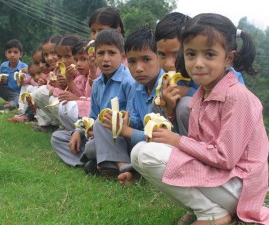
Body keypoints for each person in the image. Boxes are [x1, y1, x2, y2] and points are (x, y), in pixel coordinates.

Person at [131, 13, 269, 225]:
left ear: (229, 58)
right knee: (139, 153)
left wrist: (175, 141)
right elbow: (198, 146)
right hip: (221, 180)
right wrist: (169, 137)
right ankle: (204, 209)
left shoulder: (237, 96)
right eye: (191, 54)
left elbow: (225, 158)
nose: (198, 63)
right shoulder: (201, 95)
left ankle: (214, 214)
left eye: (210, 54)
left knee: (150, 155)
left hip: (239, 185)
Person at [88, 27, 164, 182]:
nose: (139, 68)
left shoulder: (165, 89)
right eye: (132, 62)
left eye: (146, 60)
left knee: (143, 152)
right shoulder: (137, 86)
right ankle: (123, 166)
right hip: (135, 140)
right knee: (97, 131)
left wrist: (125, 129)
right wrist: (124, 120)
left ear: (159, 58)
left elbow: (161, 136)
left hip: (155, 143)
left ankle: (118, 165)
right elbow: (134, 118)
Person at [52, 29, 135, 167]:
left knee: (92, 147)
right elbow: (92, 116)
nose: (106, 58)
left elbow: (132, 120)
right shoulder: (97, 84)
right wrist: (79, 131)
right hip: (97, 134)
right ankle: (97, 162)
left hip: (119, 137)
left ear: (123, 56)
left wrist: (102, 128)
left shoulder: (129, 82)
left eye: (112, 53)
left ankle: (102, 161)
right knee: (58, 138)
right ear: (94, 57)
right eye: (101, 53)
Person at [152, 12, 198, 136]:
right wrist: (169, 109)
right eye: (162, 54)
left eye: (176, 54)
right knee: (157, 103)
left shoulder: (201, 71)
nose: (168, 64)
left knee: (185, 105)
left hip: (211, 143)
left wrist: (187, 92)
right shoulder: (164, 79)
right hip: (177, 137)